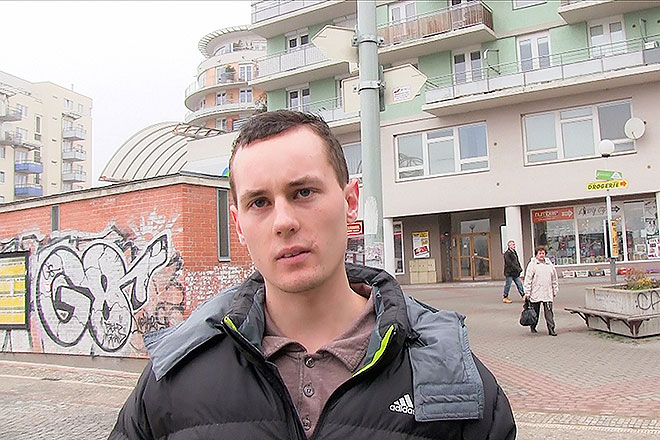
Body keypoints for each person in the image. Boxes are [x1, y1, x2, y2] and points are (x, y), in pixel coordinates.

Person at [109, 111, 516, 440]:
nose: (283, 222)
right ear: (238, 224)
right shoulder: (175, 378)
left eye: (303, 192)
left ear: (350, 201)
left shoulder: (450, 377)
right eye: (259, 203)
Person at [523, 246, 559, 336]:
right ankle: (533, 326)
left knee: (549, 312)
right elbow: (528, 279)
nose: (541, 255)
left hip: (547, 292)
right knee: (535, 311)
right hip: (536, 292)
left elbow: (554, 278)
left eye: (543, 253)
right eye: (540, 253)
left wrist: (555, 289)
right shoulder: (532, 265)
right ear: (536, 254)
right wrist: (527, 292)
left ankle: (551, 329)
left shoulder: (549, 265)